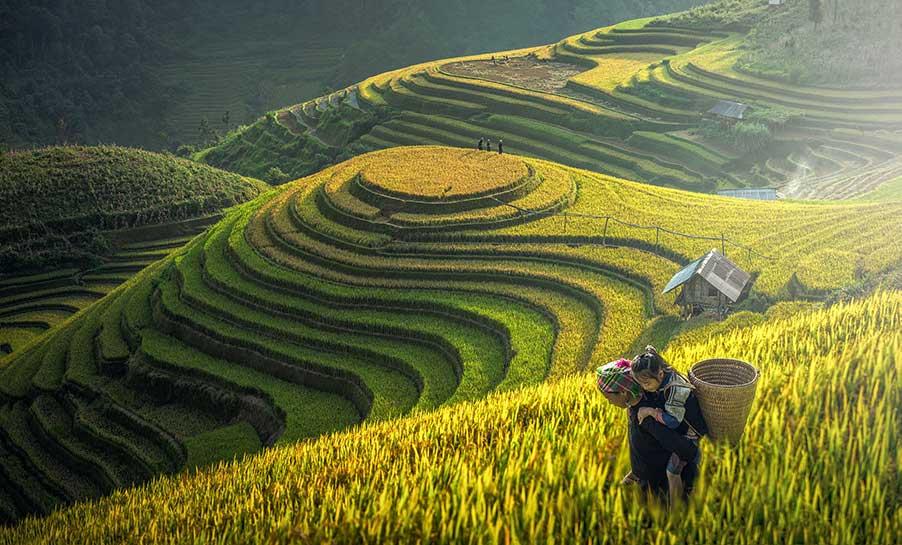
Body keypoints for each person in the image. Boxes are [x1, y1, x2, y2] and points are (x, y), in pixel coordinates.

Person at [596, 358, 701, 497]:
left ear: (623, 392)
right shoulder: (633, 409)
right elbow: (643, 446)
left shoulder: (647, 418)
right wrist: (635, 472)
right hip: (643, 476)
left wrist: (692, 455)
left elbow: (682, 447)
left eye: (608, 398)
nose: (609, 402)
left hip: (656, 487)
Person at [631, 346, 708, 501]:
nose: (644, 388)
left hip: (690, 434)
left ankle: (676, 510)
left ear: (660, 374)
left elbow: (673, 421)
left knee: (672, 472)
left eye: (646, 384)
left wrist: (651, 411)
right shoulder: (660, 374)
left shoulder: (675, 390)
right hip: (679, 427)